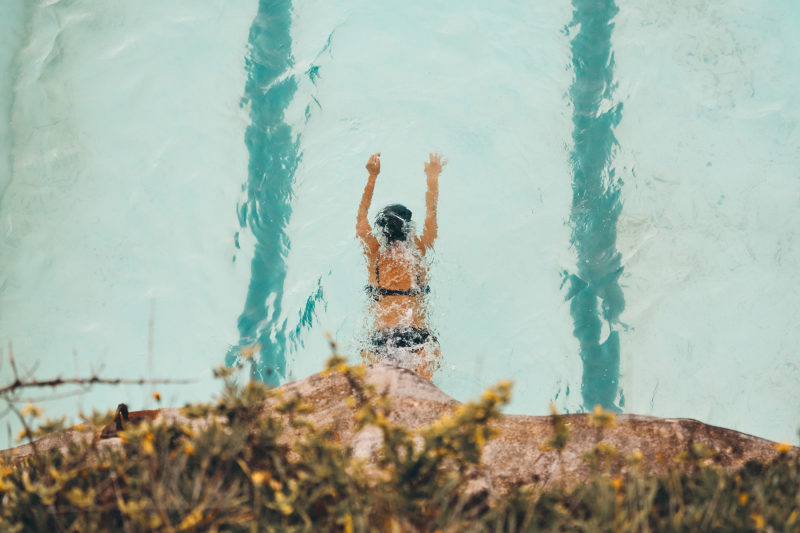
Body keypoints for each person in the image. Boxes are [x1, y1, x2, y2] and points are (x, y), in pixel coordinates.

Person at [356, 152, 446, 379]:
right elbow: (432, 212)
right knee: (425, 401)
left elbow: (361, 218)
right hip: (416, 338)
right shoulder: (419, 251)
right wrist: (432, 177)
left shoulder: (375, 254)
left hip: (381, 340)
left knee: (378, 406)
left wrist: (372, 177)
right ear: (408, 229)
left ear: (383, 230)